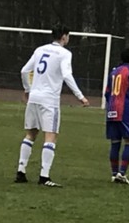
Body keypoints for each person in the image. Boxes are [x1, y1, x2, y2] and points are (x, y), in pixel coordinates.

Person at [14, 26, 90, 187]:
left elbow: (24, 71)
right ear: (64, 37)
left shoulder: (40, 49)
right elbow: (67, 75)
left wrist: (27, 90)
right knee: (51, 136)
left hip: (34, 97)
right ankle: (44, 176)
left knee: (30, 134)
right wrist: (80, 96)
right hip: (49, 100)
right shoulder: (64, 53)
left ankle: (21, 172)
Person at [105, 48, 129, 185]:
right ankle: (122, 173)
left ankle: (114, 174)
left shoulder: (113, 72)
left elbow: (107, 93)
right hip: (124, 110)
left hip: (111, 110)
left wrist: (111, 104)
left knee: (115, 142)